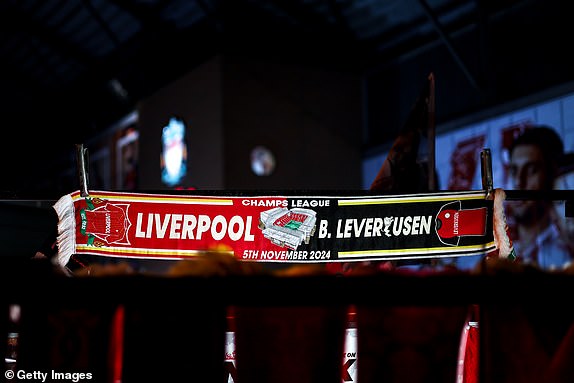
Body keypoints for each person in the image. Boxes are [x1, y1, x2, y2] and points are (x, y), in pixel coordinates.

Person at [506, 125, 574, 270]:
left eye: (531, 170)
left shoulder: (566, 249)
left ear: (552, 176)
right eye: (514, 171)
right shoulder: (498, 252)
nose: (519, 182)